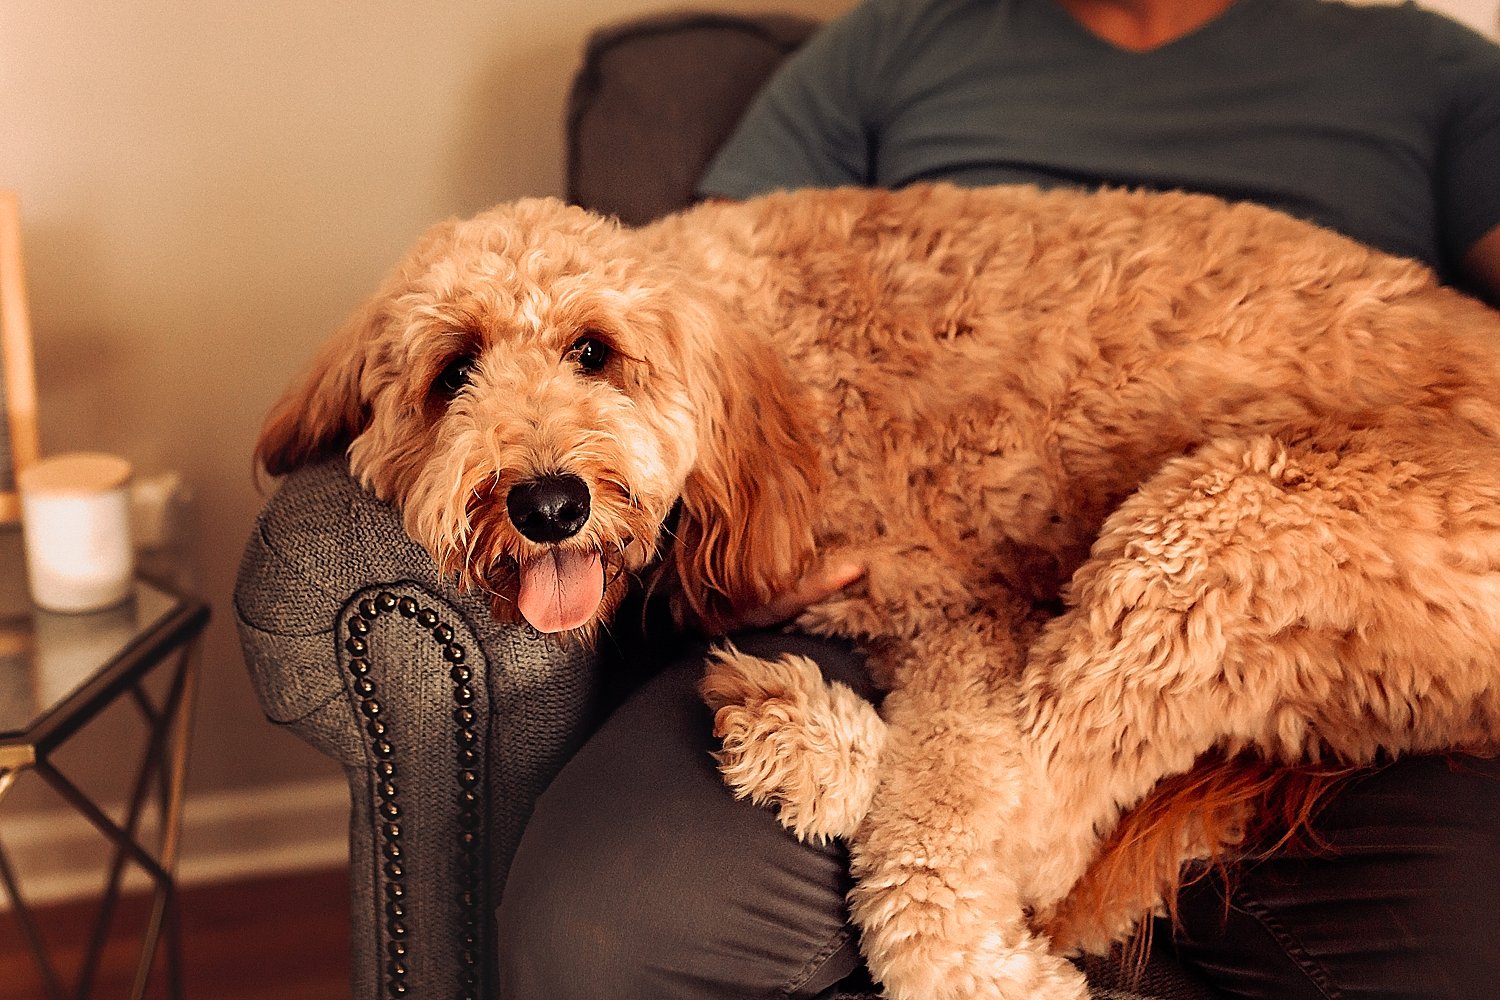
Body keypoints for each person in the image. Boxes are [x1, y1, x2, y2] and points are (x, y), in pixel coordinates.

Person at [496, 2, 1500, 998]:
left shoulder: (1422, 66)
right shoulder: (891, 47)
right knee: (603, 925)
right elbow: (679, 309)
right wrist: (730, 540)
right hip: (892, 571)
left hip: (1339, 538)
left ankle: (951, 828)